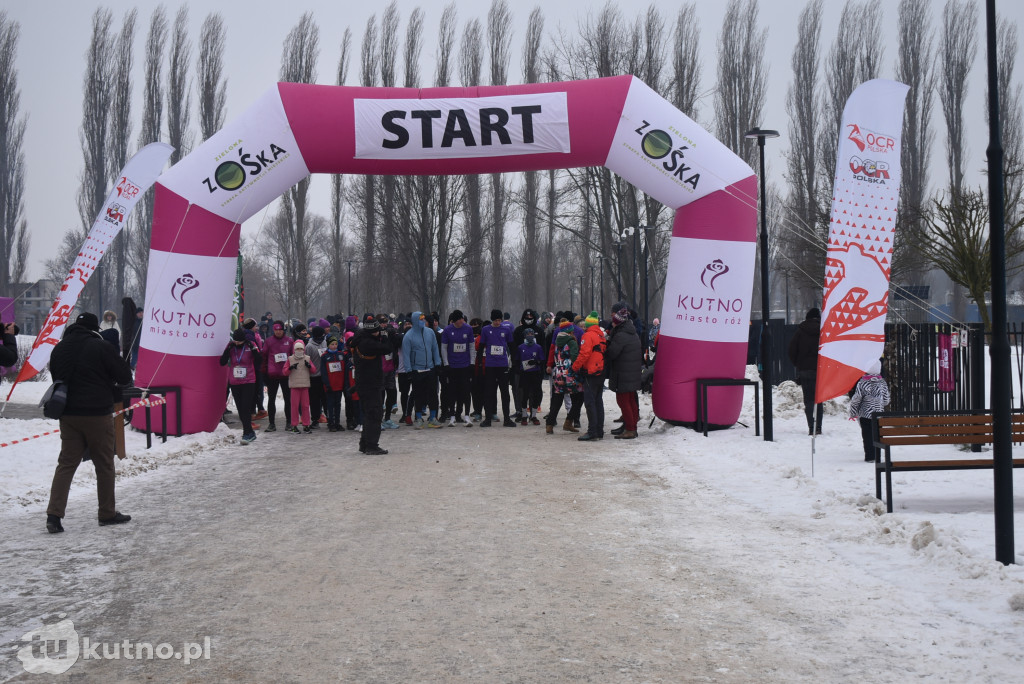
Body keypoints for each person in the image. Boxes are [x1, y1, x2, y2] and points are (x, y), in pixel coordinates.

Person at [45, 312, 134, 533]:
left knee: (66, 464)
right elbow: (124, 376)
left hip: (68, 414)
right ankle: (106, 513)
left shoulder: (60, 348)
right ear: (96, 329)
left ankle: (54, 516)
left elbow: (55, 375)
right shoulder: (101, 346)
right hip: (97, 413)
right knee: (104, 464)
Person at [348, 317, 394, 454]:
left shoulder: (360, 337)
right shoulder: (368, 343)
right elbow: (387, 348)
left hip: (364, 382)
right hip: (370, 383)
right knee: (375, 414)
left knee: (369, 414)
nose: (379, 332)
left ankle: (365, 444)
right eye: (377, 331)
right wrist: (386, 337)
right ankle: (371, 446)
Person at [606, 303, 642, 440]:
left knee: (623, 401)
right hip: (630, 373)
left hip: (623, 373)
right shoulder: (630, 332)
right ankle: (631, 426)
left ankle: (630, 429)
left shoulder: (621, 335)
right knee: (630, 400)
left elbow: (612, 353)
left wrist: (606, 345)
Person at [219, 328, 262, 444]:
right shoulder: (231, 346)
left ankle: (247, 433)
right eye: (235, 341)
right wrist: (227, 350)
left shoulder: (250, 345)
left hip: (249, 380)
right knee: (240, 409)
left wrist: (253, 350)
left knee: (245, 407)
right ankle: (249, 432)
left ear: (244, 340)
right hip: (235, 381)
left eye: (239, 342)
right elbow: (222, 362)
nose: (237, 343)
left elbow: (259, 360)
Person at [401, 311, 443, 428]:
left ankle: (433, 417)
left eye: (423, 319)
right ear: (414, 321)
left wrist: (438, 364)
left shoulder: (430, 333)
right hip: (416, 369)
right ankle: (418, 418)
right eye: (420, 319)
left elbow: (434, 349)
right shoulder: (408, 336)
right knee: (418, 395)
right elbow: (406, 354)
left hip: (430, 368)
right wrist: (409, 370)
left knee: (433, 394)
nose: (423, 321)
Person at [545, 317, 584, 434]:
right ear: (569, 331)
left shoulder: (558, 342)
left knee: (556, 400)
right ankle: (569, 421)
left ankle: (550, 425)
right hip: (570, 375)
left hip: (558, 374)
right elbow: (574, 357)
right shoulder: (571, 342)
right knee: (579, 398)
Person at [788, 307, 823, 435]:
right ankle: (818, 427)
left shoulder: (800, 332)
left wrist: (799, 364)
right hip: (820, 370)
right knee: (819, 399)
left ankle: (811, 427)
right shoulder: (823, 331)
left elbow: (791, 351)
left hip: (805, 370)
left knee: (808, 400)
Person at [572, 311, 607, 441]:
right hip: (600, 371)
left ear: (587, 324)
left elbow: (584, 354)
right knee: (598, 401)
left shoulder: (587, 336)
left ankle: (592, 431)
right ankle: (599, 430)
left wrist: (575, 367)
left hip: (591, 372)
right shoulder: (601, 335)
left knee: (589, 402)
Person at [479, 309, 517, 427]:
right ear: (492, 319)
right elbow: (481, 347)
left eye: (499, 320)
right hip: (490, 365)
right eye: (495, 320)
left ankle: (507, 419)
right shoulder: (485, 330)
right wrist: (480, 362)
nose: (497, 322)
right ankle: (488, 419)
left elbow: (511, 346)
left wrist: (514, 361)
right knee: (489, 392)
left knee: (505, 392)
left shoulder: (506, 330)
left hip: (502, 365)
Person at [849, 361, 890, 461]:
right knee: (877, 434)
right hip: (878, 414)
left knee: (867, 435)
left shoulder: (862, 382)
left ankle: (869, 456)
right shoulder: (882, 383)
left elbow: (856, 399)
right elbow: (886, 400)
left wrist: (853, 412)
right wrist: (880, 404)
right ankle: (877, 455)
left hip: (865, 413)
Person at [441, 309, 475, 426]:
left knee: (465, 391)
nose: (462, 321)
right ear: (454, 320)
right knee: (452, 391)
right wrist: (446, 364)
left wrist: (472, 362)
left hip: (465, 365)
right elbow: (444, 348)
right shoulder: (447, 330)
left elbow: (471, 347)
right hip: (452, 366)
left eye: (462, 319)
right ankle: (452, 417)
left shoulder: (468, 329)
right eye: (460, 319)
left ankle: (466, 416)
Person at [262, 321, 294, 432]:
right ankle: (271, 424)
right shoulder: (268, 341)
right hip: (273, 375)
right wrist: (264, 373)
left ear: (283, 330)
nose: (278, 332)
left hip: (286, 374)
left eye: (280, 330)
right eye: (276, 330)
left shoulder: (289, 341)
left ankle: (289, 422)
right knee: (271, 399)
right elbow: (264, 357)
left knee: (288, 399)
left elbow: (293, 356)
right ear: (273, 330)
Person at [285, 340, 316, 433]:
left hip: (304, 386)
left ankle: (306, 424)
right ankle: (294, 425)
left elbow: (314, 370)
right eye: (297, 348)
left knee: (305, 406)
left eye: (301, 348)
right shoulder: (290, 359)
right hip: (294, 386)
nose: (299, 350)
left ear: (303, 349)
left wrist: (309, 366)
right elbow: (285, 371)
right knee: (294, 407)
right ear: (294, 349)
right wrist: (290, 368)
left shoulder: (307, 358)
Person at [516, 328, 544, 425]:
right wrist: (519, 370)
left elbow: (541, 360)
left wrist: (536, 362)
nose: (530, 335)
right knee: (525, 394)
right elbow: (517, 360)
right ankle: (524, 415)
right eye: (528, 333)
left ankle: (534, 415)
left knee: (535, 394)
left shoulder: (538, 347)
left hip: (535, 373)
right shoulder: (520, 347)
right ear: (524, 335)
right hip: (525, 373)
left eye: (532, 333)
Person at [320, 335, 347, 432]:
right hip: (330, 386)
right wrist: (327, 384)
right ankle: (330, 422)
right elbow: (323, 372)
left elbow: (344, 370)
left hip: (339, 384)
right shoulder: (325, 356)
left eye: (335, 344)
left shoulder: (341, 355)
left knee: (338, 404)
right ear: (328, 345)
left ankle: (337, 422)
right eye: (332, 344)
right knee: (330, 405)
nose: (334, 346)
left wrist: (344, 383)